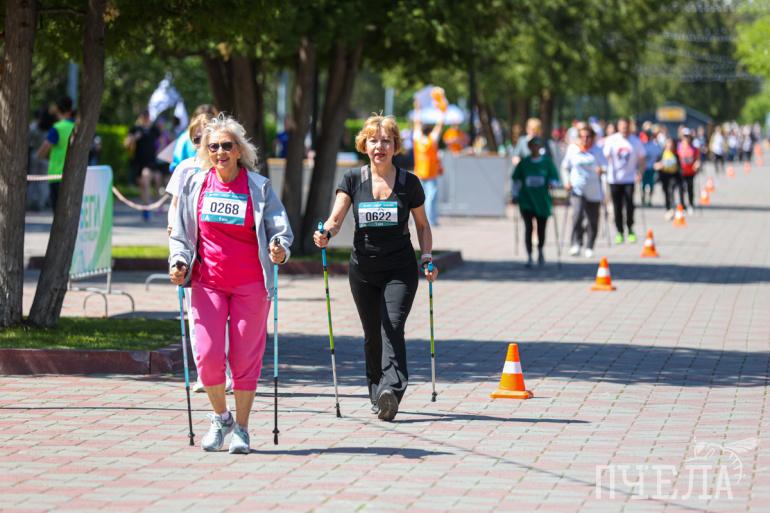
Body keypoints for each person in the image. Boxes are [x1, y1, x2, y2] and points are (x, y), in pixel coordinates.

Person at [169, 114, 293, 454]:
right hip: (207, 283)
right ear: (206, 152)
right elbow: (181, 234)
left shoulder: (258, 187)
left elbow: (280, 229)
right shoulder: (196, 185)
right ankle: (220, 417)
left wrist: (279, 249)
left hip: (250, 285)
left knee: (244, 359)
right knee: (208, 357)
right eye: (213, 147)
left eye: (226, 145)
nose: (220, 152)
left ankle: (242, 428)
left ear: (239, 150)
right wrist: (179, 262)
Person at [314, 114, 438, 422]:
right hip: (363, 271)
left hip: (400, 269)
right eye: (373, 140)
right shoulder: (353, 179)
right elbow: (336, 218)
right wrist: (325, 232)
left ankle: (391, 389)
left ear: (395, 146)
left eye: (386, 141)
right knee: (372, 334)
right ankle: (377, 393)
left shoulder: (409, 183)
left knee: (391, 326)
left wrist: (427, 256)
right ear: (364, 145)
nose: (379, 146)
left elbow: (422, 225)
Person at [165, 112, 233, 394]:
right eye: (197, 139)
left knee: (226, 318)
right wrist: (174, 232)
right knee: (198, 317)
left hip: (221, 256)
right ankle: (206, 373)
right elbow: (175, 205)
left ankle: (227, 371)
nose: (204, 145)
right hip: (192, 252)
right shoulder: (186, 169)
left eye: (209, 139)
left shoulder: (224, 170)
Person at [511, 136, 561, 267]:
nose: (535, 148)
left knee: (541, 228)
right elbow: (516, 180)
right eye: (533, 145)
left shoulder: (547, 162)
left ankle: (540, 250)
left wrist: (552, 183)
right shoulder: (524, 163)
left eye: (537, 145)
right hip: (526, 200)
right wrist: (514, 195)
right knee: (528, 228)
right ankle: (529, 255)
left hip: (542, 201)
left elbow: (555, 178)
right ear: (529, 147)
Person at [561, 124, 607, 258]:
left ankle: (590, 245)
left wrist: (602, 170)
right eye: (582, 137)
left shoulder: (597, 150)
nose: (585, 139)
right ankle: (576, 243)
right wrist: (566, 181)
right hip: (577, 188)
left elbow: (606, 166)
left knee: (593, 219)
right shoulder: (572, 149)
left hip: (594, 190)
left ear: (593, 137)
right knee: (577, 215)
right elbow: (565, 167)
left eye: (588, 137)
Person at [603, 118, 645, 244]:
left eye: (626, 126)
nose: (624, 129)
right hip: (614, 179)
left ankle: (630, 228)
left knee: (630, 204)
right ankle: (619, 231)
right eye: (622, 126)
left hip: (629, 178)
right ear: (618, 127)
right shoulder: (612, 140)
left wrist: (640, 172)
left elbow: (642, 159)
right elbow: (605, 156)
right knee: (617, 206)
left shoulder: (635, 141)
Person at [36, 96, 75, 212]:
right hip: (75, 175)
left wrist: (46, 157)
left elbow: (42, 152)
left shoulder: (58, 128)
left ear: (57, 110)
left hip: (56, 174)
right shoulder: (77, 126)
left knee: (58, 212)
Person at [125, 111, 161, 221]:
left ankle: (149, 207)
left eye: (147, 117)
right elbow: (126, 144)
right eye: (144, 117)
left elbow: (162, 140)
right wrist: (134, 138)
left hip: (150, 162)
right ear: (140, 118)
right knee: (142, 186)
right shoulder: (135, 129)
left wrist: (159, 152)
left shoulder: (154, 129)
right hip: (138, 162)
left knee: (146, 179)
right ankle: (146, 207)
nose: (146, 119)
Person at [412, 104, 444, 227]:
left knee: (418, 198)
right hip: (431, 173)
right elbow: (439, 126)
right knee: (431, 197)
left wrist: (418, 109)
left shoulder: (417, 138)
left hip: (419, 172)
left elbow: (416, 123)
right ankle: (431, 220)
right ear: (430, 131)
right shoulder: (432, 139)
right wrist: (441, 111)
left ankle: (419, 220)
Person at [170, 104, 218, 173]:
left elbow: (175, 164)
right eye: (197, 140)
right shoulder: (184, 138)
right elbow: (176, 166)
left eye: (207, 139)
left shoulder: (183, 137)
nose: (203, 144)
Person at [654, 138, 684, 220]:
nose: (670, 145)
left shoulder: (675, 154)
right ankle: (668, 207)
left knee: (671, 189)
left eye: (671, 144)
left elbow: (679, 166)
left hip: (673, 175)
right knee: (666, 192)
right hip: (664, 175)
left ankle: (672, 206)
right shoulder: (662, 154)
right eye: (668, 143)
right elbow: (655, 165)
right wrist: (659, 165)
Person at [677, 129, 700, 213]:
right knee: (681, 189)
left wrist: (697, 164)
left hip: (690, 171)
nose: (686, 138)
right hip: (681, 171)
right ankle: (682, 205)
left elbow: (697, 159)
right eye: (685, 136)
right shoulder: (678, 146)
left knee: (690, 188)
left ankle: (691, 204)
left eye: (688, 136)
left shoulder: (694, 148)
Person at [640, 124, 661, 207]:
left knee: (651, 184)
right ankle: (643, 198)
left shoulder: (655, 145)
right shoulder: (642, 145)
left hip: (652, 168)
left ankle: (649, 199)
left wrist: (657, 163)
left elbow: (659, 156)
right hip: (644, 168)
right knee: (643, 184)